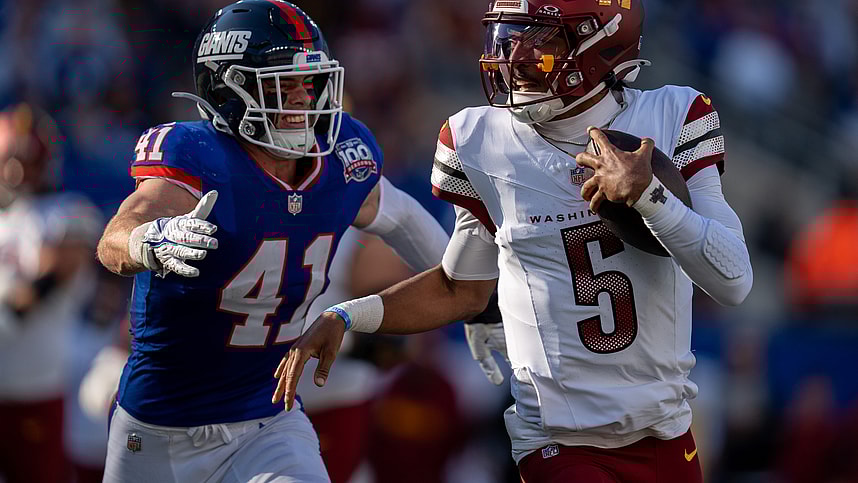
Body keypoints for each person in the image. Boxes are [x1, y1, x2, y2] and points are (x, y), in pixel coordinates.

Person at [276, 1, 754, 482]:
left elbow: (733, 281)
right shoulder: (477, 140)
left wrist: (650, 198)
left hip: (665, 431)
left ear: (599, 42)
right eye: (507, 34)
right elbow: (459, 288)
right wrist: (348, 314)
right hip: (556, 439)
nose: (514, 54)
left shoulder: (672, 116)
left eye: (539, 36)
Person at [95, 2, 448, 481]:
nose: (304, 98)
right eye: (284, 83)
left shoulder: (341, 158)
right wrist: (146, 243)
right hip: (159, 430)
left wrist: (468, 300)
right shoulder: (195, 155)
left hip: (270, 422)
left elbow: (400, 215)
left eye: (311, 81)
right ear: (228, 88)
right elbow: (118, 234)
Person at [0, 103, 103, 483]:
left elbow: (46, 280)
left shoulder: (68, 212)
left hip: (38, 384)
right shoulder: (7, 217)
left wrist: (7, 316)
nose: (16, 169)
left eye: (25, 157)